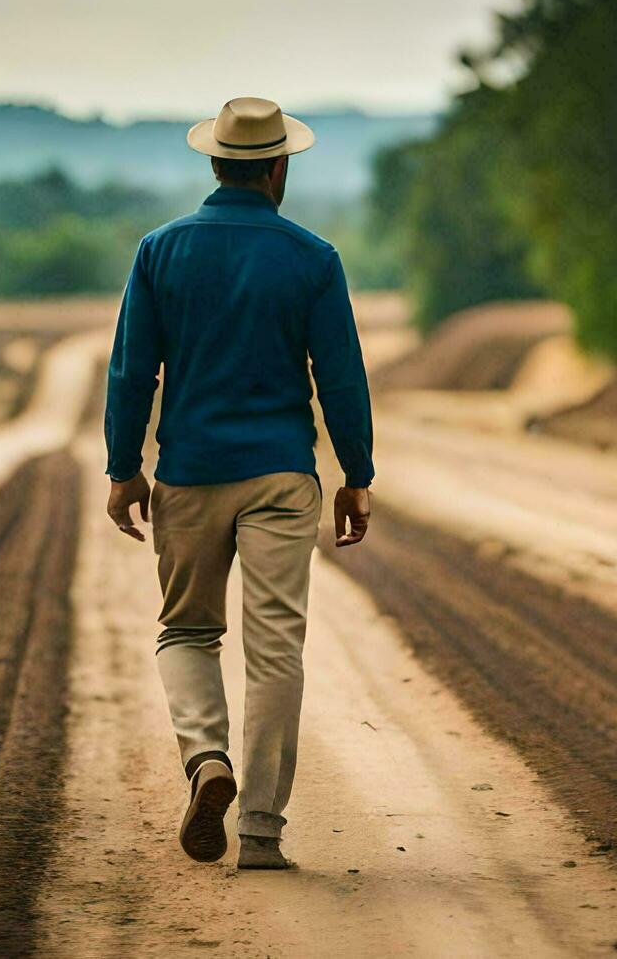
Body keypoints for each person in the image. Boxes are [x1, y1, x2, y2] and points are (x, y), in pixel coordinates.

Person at [104, 97, 374, 870]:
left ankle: (206, 762)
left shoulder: (160, 250)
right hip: (283, 477)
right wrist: (358, 474)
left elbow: (131, 371)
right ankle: (260, 831)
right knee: (276, 648)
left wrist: (125, 467)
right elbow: (342, 378)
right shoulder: (312, 257)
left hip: (189, 474)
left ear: (215, 162)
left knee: (187, 631)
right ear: (280, 166)